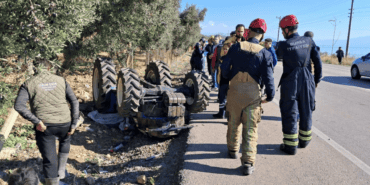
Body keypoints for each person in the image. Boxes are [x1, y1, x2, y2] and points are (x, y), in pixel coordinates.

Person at [220, 18, 275, 175]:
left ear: (249, 31)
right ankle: (248, 163)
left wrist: (228, 82)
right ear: (262, 35)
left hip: (235, 92)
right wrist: (269, 96)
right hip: (252, 95)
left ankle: (232, 150)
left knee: (233, 122)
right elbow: (269, 79)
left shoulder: (236, 47)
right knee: (251, 129)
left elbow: (224, 69)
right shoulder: (265, 53)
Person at [14, 60, 79, 185]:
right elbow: (74, 102)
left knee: (50, 159)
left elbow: (19, 106)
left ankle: (53, 182)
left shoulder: (28, 83)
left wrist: (36, 121)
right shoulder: (61, 80)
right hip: (64, 122)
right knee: (65, 140)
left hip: (45, 126)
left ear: (35, 70)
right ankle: (61, 172)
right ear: (50, 69)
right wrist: (74, 122)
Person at [276, 15, 322, 155]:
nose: (282, 33)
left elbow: (276, 56)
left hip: (291, 81)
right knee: (306, 109)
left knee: (290, 111)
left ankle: (290, 146)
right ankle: (304, 141)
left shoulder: (283, 44)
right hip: (308, 80)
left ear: (287, 30)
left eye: (283, 30)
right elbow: (318, 63)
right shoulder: (309, 41)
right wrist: (316, 81)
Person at [211, 36, 233, 118]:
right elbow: (215, 58)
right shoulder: (221, 49)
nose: (225, 50)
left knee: (227, 97)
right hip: (223, 77)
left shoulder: (234, 51)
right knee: (222, 96)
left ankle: (227, 114)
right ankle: (221, 113)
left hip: (229, 78)